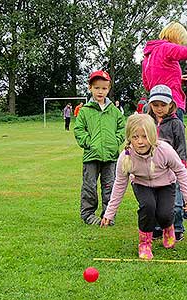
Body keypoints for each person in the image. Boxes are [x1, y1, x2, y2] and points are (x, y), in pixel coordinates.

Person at [100, 114, 187, 260]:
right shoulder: (125, 157)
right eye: (135, 137)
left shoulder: (164, 150)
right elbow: (119, 185)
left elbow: (180, 171)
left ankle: (168, 229)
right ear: (129, 138)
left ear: (152, 135)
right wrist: (109, 212)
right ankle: (145, 243)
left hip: (166, 184)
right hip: (141, 184)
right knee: (148, 206)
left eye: (144, 136)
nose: (140, 142)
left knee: (165, 214)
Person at [74, 70, 125, 225]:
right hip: (91, 155)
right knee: (89, 186)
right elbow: (79, 130)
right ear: (90, 88)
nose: (100, 91)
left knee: (110, 186)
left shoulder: (115, 111)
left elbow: (122, 129)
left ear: (108, 89)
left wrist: (116, 141)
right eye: (97, 88)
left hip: (110, 156)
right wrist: (88, 143)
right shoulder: (85, 111)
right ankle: (88, 215)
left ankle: (108, 216)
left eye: (103, 88)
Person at [142, 21, 187, 123]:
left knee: (157, 138)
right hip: (171, 104)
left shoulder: (148, 56)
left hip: (154, 106)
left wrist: (177, 79)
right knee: (176, 137)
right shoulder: (167, 47)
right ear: (177, 37)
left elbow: (148, 85)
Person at [147, 84, 187, 241]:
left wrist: (181, 167)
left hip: (172, 169)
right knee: (156, 201)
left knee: (175, 203)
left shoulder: (176, 123)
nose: (159, 108)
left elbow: (181, 146)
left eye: (163, 105)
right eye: (155, 105)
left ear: (171, 104)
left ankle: (177, 228)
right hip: (152, 168)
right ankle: (157, 228)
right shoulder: (147, 121)